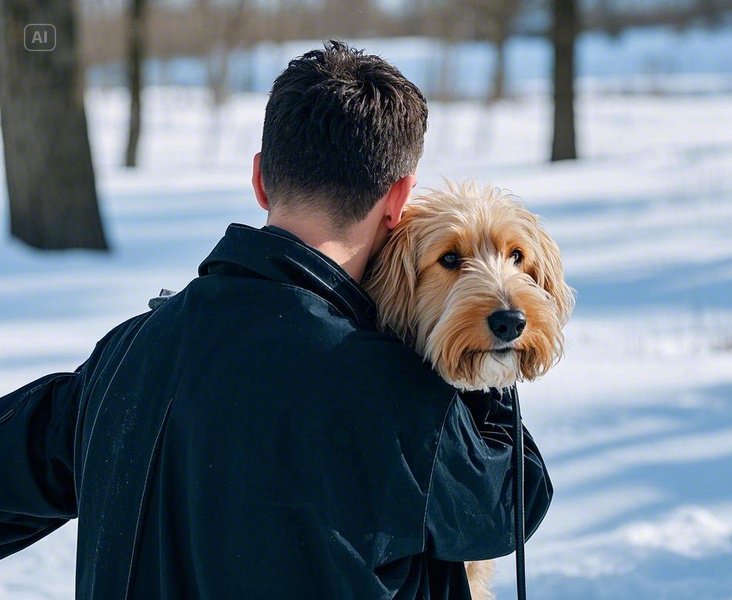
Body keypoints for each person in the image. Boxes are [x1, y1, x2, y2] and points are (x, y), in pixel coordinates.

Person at [0, 41, 552, 599]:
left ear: (261, 180)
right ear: (397, 200)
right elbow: (512, 503)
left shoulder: (123, 358)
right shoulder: (401, 398)